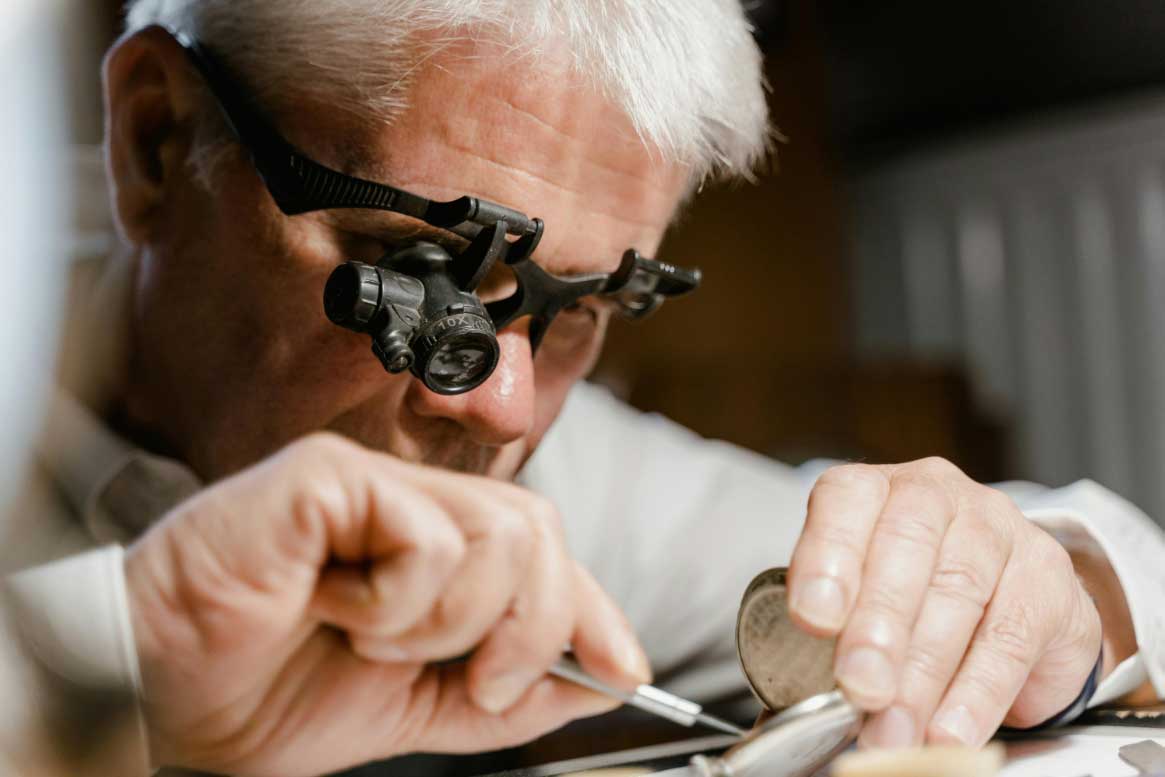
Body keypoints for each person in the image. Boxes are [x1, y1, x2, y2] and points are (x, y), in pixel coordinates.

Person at [6, 1, 1164, 775]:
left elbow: (1110, 572)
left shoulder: (548, 482)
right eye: (420, 272)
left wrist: (1045, 584)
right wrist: (118, 659)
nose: (506, 407)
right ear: (157, 142)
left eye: (581, 311)